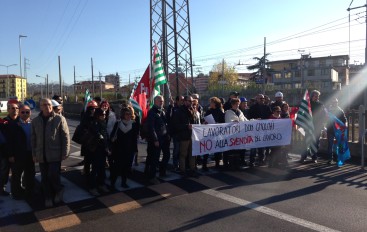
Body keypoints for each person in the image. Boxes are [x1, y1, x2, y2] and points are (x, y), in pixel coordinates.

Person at [31, 98, 70, 207]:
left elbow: (65, 137)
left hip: (55, 154)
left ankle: (59, 190)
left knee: (53, 175)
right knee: (44, 178)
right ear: (41, 106)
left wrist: (65, 152)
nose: (47, 106)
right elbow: (33, 139)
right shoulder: (35, 121)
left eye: (49, 104)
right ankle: (48, 197)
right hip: (41, 154)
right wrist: (34, 154)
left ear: (52, 106)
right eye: (44, 104)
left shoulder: (59, 119)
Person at [8, 104, 35, 200]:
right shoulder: (13, 124)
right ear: (19, 112)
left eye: (27, 112)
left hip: (31, 154)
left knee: (30, 174)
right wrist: (10, 154)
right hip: (18, 154)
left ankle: (30, 192)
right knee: (16, 175)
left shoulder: (33, 124)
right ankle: (16, 193)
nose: (25, 114)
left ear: (30, 112)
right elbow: (9, 141)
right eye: (23, 112)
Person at [109, 107, 139, 189]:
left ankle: (123, 182)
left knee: (126, 167)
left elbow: (134, 139)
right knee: (116, 168)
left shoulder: (133, 124)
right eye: (126, 114)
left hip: (129, 150)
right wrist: (112, 141)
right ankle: (112, 183)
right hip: (118, 149)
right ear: (123, 115)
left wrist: (135, 150)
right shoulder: (118, 124)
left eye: (130, 114)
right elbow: (112, 136)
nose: (128, 115)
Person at [145, 95, 170, 184]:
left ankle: (162, 172)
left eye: (162, 101)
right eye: (160, 101)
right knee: (155, 159)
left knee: (167, 155)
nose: (162, 103)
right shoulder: (152, 112)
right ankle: (152, 177)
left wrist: (167, 134)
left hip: (164, 138)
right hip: (157, 139)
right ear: (155, 102)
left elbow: (164, 124)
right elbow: (151, 128)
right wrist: (155, 140)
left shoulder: (162, 111)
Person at [173, 95, 200, 177]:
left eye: (192, 101)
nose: (191, 103)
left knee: (192, 154)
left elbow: (195, 121)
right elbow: (176, 125)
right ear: (184, 101)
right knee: (183, 154)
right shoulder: (179, 111)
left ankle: (192, 169)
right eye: (189, 101)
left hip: (192, 135)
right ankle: (182, 170)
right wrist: (186, 126)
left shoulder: (193, 110)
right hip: (184, 136)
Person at [86, 108, 110, 196]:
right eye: (102, 115)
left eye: (104, 115)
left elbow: (105, 135)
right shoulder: (94, 123)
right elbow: (99, 135)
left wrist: (107, 146)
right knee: (95, 169)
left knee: (102, 168)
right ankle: (92, 187)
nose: (104, 116)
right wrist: (106, 146)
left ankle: (101, 184)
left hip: (102, 149)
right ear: (97, 115)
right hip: (96, 149)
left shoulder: (103, 123)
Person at [299, 90, 326, 163]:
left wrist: (323, 125)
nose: (317, 97)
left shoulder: (321, 105)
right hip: (309, 126)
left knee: (316, 143)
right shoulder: (307, 104)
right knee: (306, 142)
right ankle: (303, 157)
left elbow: (323, 116)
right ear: (312, 96)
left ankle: (314, 157)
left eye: (318, 96)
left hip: (317, 126)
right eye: (315, 96)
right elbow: (303, 114)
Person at [1, 100, 20, 196]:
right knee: (4, 172)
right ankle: (1, 189)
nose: (15, 110)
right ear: (8, 110)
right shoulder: (3, 122)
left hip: (18, 153)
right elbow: (5, 141)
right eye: (13, 108)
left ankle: (17, 189)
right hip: (5, 154)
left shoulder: (21, 121)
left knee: (17, 173)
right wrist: (9, 154)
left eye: (17, 108)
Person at [248, 94, 272, 167]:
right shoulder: (252, 107)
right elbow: (248, 117)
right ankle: (252, 161)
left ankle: (261, 160)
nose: (262, 99)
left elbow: (270, 116)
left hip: (264, 130)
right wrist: (255, 120)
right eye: (260, 98)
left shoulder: (267, 107)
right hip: (255, 130)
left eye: (263, 98)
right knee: (253, 147)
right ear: (257, 99)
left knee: (262, 146)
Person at [224, 98, 248, 169]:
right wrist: (233, 122)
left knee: (241, 149)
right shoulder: (228, 113)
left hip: (240, 134)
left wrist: (253, 121)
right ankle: (230, 163)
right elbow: (227, 122)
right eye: (236, 104)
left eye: (238, 104)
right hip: (232, 135)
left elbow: (245, 120)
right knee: (232, 150)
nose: (237, 105)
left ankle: (241, 161)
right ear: (232, 104)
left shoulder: (240, 112)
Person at [203, 97, 225, 169]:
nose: (210, 104)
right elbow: (205, 119)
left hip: (217, 133)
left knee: (217, 149)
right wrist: (205, 122)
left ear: (215, 103)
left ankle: (217, 163)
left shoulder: (220, 111)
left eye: (211, 102)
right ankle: (204, 165)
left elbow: (223, 122)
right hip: (209, 132)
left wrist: (217, 123)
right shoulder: (209, 111)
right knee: (207, 148)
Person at [326, 98, 347, 165]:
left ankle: (339, 158)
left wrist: (344, 126)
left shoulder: (340, 110)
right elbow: (325, 119)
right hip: (330, 130)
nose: (335, 103)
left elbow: (344, 120)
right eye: (333, 102)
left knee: (340, 145)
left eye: (336, 102)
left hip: (338, 130)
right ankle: (330, 159)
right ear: (331, 103)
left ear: (337, 103)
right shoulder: (328, 110)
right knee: (330, 145)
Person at [166, 96, 184, 171]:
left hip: (182, 133)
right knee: (176, 149)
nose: (182, 101)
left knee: (182, 150)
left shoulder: (183, 108)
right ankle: (175, 164)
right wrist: (170, 106)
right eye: (181, 100)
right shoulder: (173, 108)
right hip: (176, 133)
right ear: (177, 101)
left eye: (183, 100)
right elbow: (168, 117)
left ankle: (181, 164)